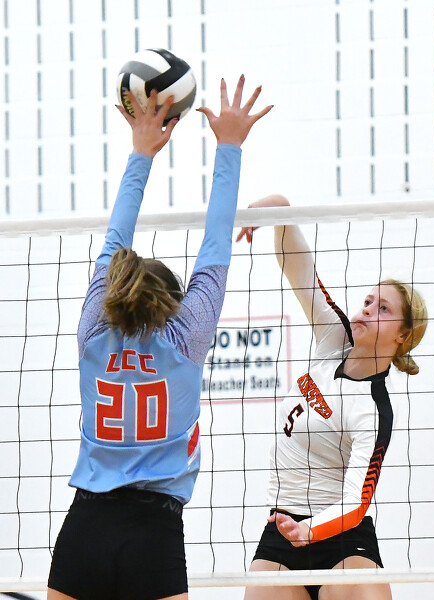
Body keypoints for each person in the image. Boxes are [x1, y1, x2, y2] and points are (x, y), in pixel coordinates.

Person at [46, 76, 272, 600]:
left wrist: (141, 151)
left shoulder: (93, 332)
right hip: (154, 533)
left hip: (84, 527)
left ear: (114, 287)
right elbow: (217, 246)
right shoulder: (186, 338)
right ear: (175, 303)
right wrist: (229, 146)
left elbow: (114, 240)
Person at [237, 194, 428, 600]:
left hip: (342, 538)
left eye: (383, 308)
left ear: (403, 335)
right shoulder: (332, 338)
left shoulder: (374, 409)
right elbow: (299, 270)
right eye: (367, 301)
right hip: (282, 529)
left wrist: (310, 530)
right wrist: (279, 208)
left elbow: (356, 503)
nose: (367, 309)